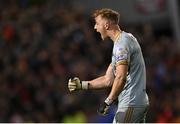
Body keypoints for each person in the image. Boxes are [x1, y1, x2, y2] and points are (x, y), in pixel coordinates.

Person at [68, 8, 149, 123]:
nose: (95, 28)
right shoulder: (122, 42)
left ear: (106, 25)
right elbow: (108, 80)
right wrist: (82, 85)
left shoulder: (122, 45)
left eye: (97, 24)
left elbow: (121, 77)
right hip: (135, 101)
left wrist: (108, 101)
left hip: (131, 102)